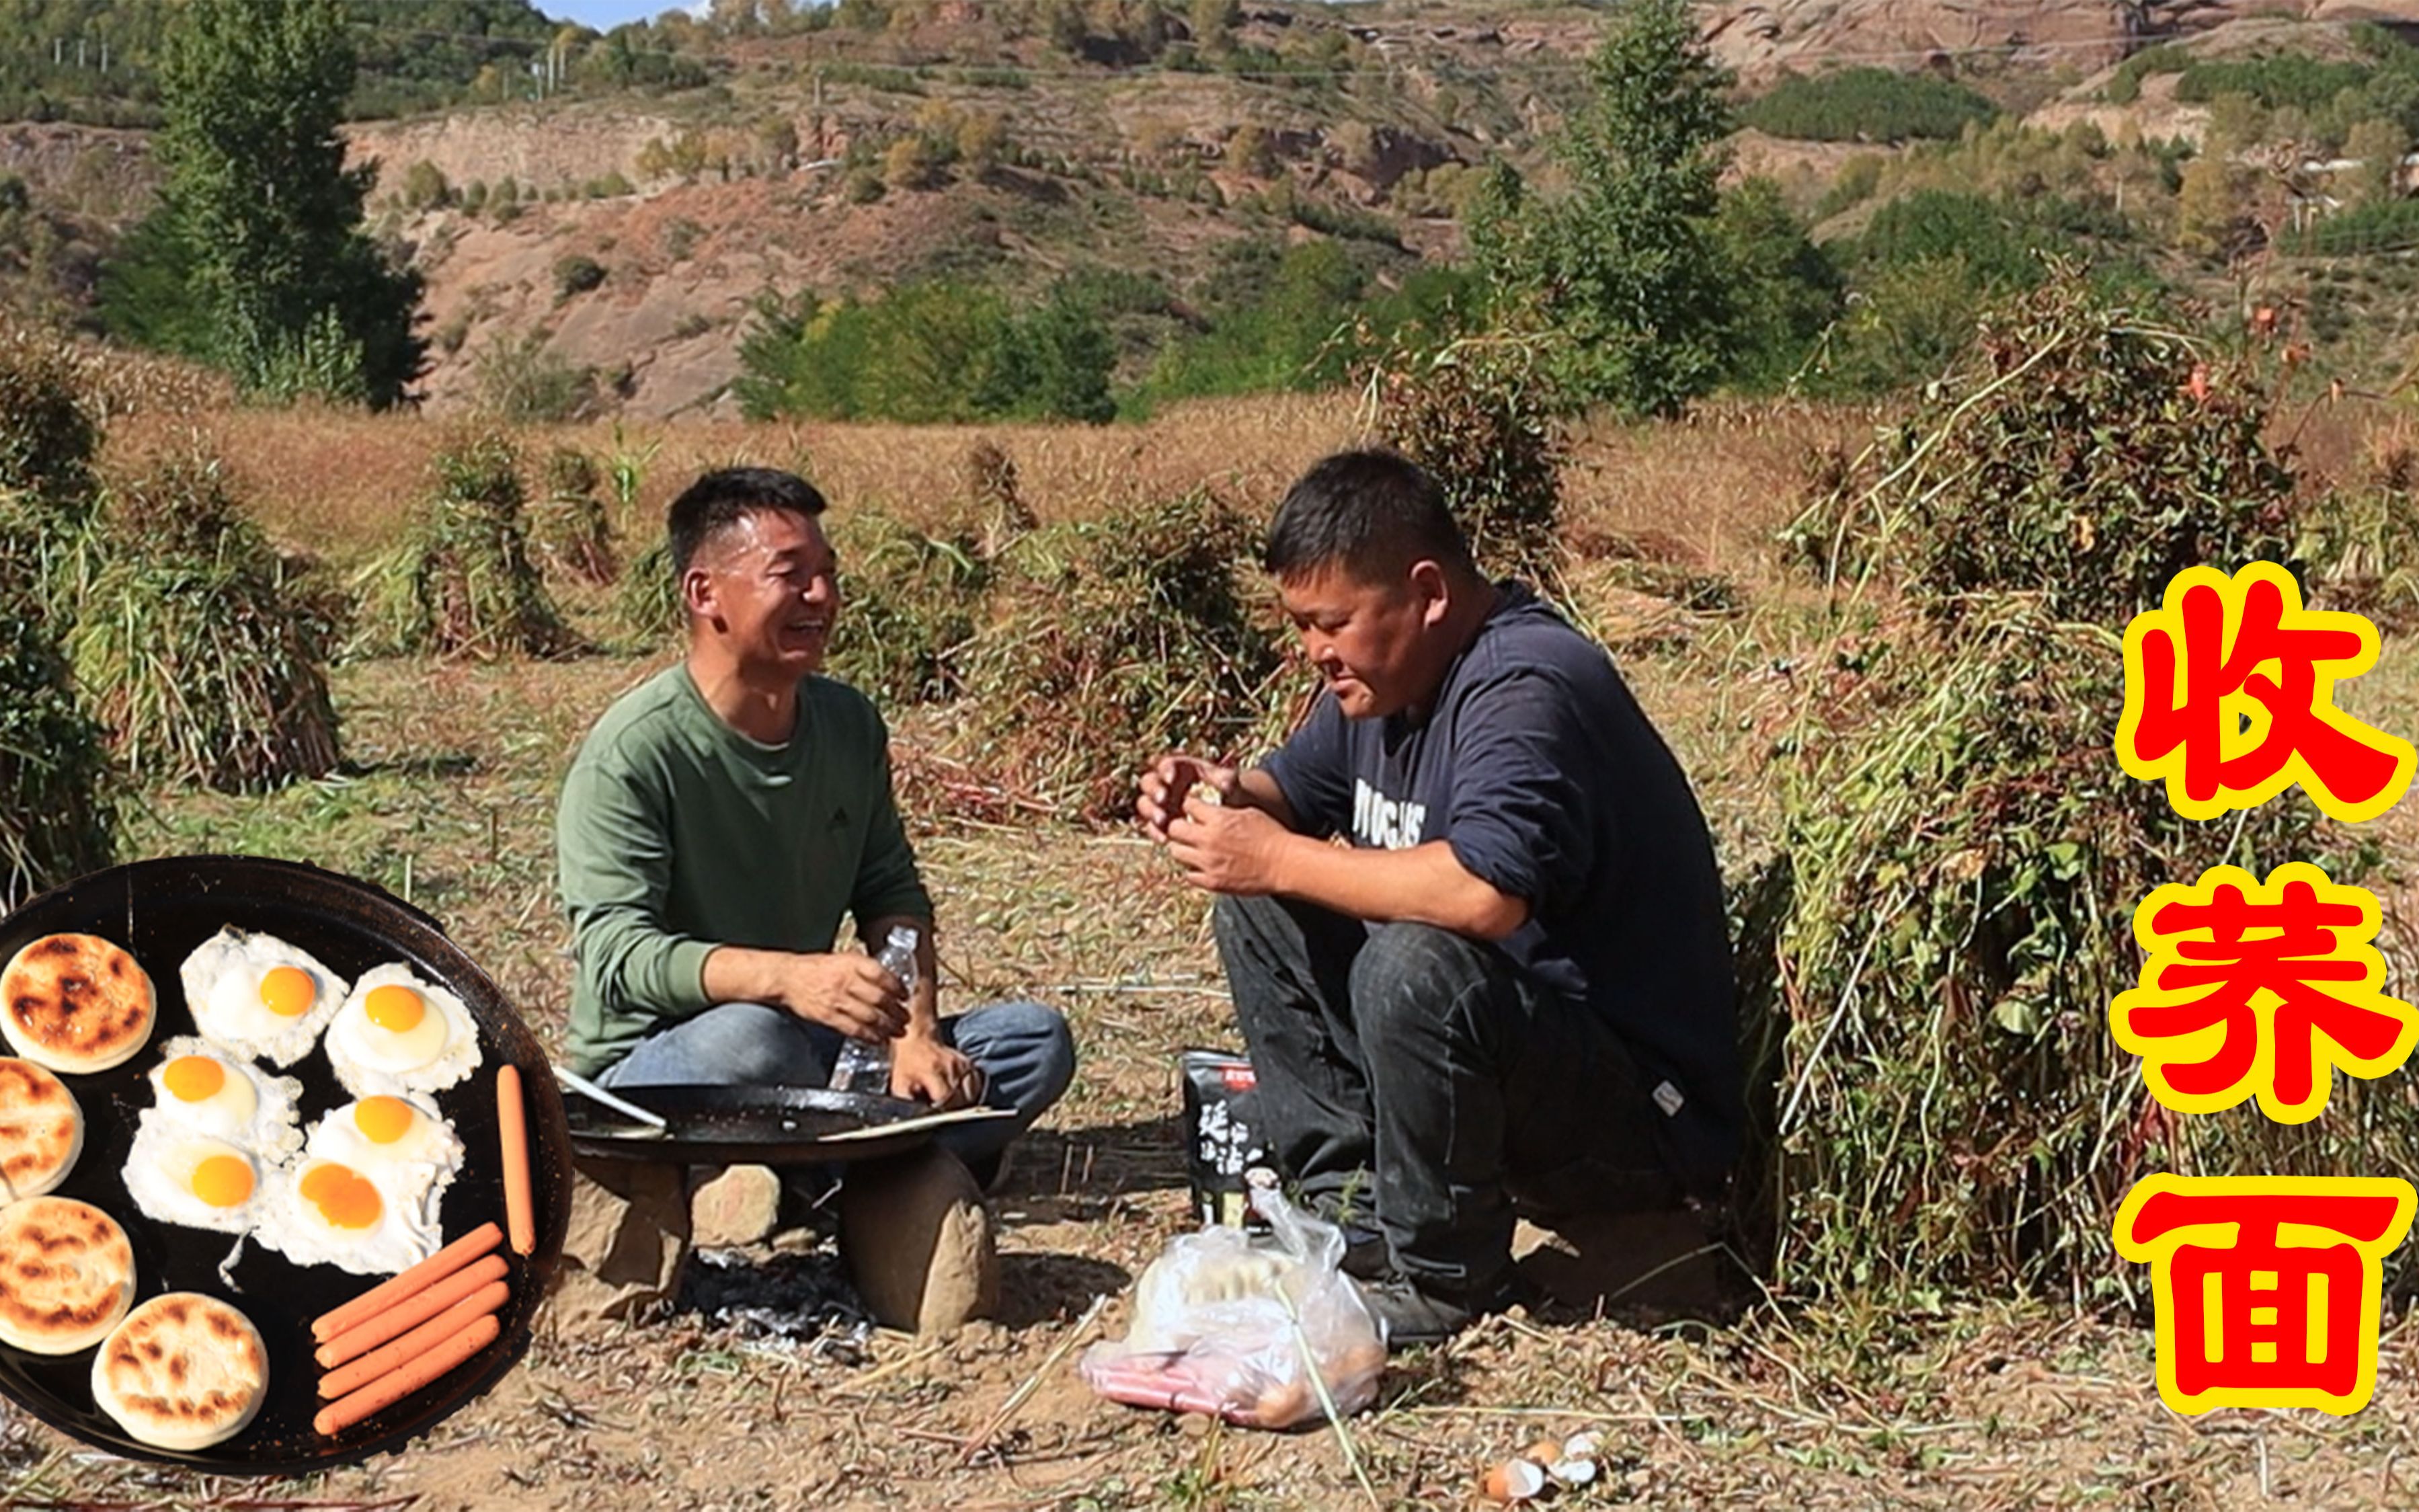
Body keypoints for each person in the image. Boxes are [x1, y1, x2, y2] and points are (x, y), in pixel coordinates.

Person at [1134, 450, 1741, 1346]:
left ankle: (1442, 1275)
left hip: (1638, 1120)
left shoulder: (1523, 685)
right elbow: (1287, 796)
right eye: (1301, 625)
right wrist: (1218, 793)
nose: (1314, 651)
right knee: (1258, 907)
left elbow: (1483, 894)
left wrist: (1271, 856)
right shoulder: (1383, 687)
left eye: (1330, 622)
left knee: (1415, 958)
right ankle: (1356, 1215)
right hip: (1509, 1068)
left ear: (1424, 591)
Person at [557, 467, 1075, 1194]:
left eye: (828, 575)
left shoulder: (847, 724)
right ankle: (870, 1165)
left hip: (808, 1047)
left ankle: (804, 1172)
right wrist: (786, 978)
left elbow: (889, 891)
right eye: (790, 576)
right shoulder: (635, 752)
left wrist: (915, 1033)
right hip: (671, 1064)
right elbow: (619, 956)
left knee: (1031, 1041)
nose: (822, 598)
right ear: (704, 593)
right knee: (753, 1038)